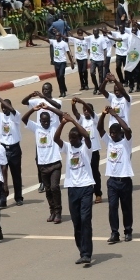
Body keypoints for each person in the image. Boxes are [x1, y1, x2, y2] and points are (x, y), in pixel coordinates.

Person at [54, 113, 95, 264]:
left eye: (74, 138)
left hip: (85, 187)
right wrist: (63, 123)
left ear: (80, 139)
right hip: (72, 188)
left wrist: (73, 121)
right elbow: (56, 139)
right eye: (70, 138)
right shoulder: (67, 148)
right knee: (77, 222)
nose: (71, 141)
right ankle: (81, 250)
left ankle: (87, 253)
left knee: (85, 220)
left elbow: (87, 135)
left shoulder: (86, 147)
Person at [22, 103, 64, 223]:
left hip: (55, 162)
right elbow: (24, 119)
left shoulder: (54, 126)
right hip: (43, 165)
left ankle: (58, 212)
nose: (46, 123)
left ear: (50, 120)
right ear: (40, 121)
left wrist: (49, 108)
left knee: (55, 187)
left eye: (47, 121)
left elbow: (62, 116)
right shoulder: (36, 128)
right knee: (48, 189)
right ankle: (52, 211)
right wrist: (33, 110)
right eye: (43, 121)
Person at [98, 106, 134, 243]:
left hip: (124, 180)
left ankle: (128, 230)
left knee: (126, 207)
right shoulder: (109, 141)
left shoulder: (126, 142)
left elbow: (128, 129)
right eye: (111, 133)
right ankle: (114, 232)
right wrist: (103, 114)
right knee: (112, 207)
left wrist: (115, 115)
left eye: (115, 133)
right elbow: (100, 129)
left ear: (120, 133)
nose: (112, 135)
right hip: (112, 181)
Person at [21, 83, 63, 192]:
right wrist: (31, 95)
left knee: (52, 156)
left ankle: (54, 179)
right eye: (44, 90)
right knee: (39, 158)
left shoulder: (57, 101)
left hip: (53, 131)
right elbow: (24, 102)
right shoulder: (37, 102)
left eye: (47, 89)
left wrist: (45, 100)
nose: (45, 91)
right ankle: (42, 182)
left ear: (51, 90)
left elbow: (58, 108)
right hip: (40, 132)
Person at [0, 95, 23, 207]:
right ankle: (3, 198)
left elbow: (12, 110)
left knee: (16, 174)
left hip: (15, 148)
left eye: (5, 107)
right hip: (3, 149)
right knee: (2, 175)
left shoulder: (15, 116)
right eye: (2, 107)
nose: (3, 109)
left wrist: (0, 99)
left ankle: (18, 197)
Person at [71, 97, 103, 203]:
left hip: (94, 150)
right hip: (84, 151)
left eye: (87, 110)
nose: (85, 112)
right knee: (84, 171)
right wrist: (73, 104)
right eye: (84, 110)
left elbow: (91, 112)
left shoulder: (95, 119)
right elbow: (75, 113)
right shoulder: (81, 120)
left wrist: (82, 102)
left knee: (95, 172)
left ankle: (98, 193)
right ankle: (86, 194)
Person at [33, 31, 75, 98]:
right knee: (58, 77)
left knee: (61, 76)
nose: (57, 37)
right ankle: (62, 91)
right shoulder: (54, 42)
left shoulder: (64, 44)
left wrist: (72, 62)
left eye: (58, 36)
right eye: (56, 36)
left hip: (62, 62)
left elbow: (68, 53)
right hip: (56, 62)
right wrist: (37, 36)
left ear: (60, 36)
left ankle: (63, 90)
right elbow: (45, 39)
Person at [87, 28, 107, 94]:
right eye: (94, 31)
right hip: (93, 59)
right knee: (92, 73)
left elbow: (105, 50)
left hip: (100, 59)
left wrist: (105, 60)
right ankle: (96, 86)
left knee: (100, 75)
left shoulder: (102, 39)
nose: (95, 33)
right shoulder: (91, 38)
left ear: (98, 32)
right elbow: (83, 39)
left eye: (96, 32)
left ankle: (100, 88)